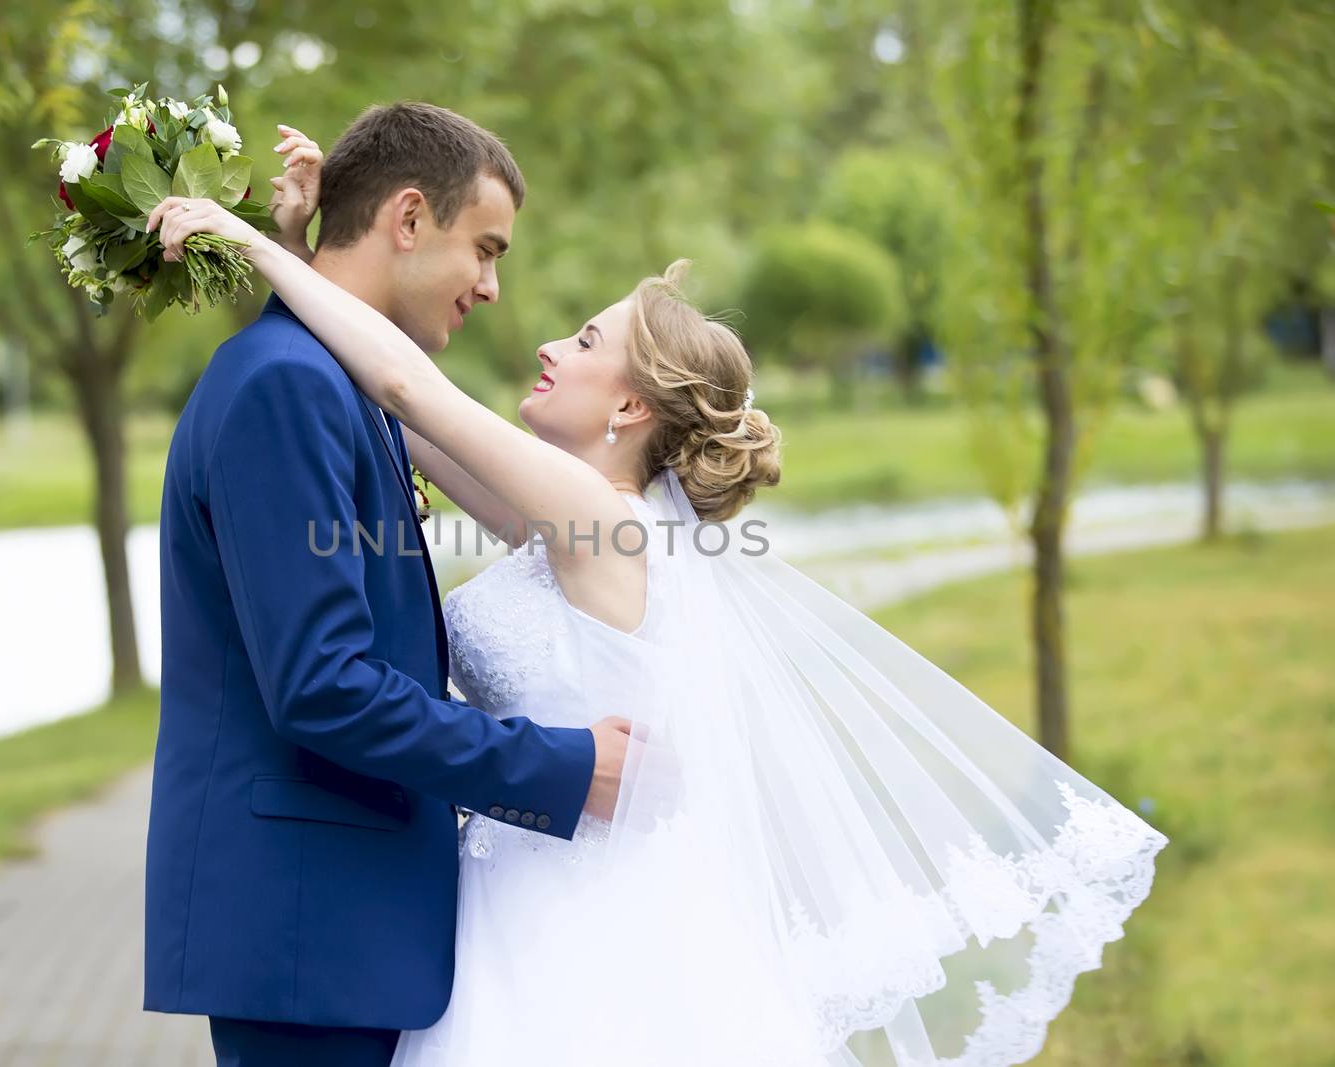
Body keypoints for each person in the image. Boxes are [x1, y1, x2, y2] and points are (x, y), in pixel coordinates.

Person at [149, 114, 1169, 1066]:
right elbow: (382, 398)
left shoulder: (602, 523)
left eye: (586, 342)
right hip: (514, 887)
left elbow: (411, 390)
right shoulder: (556, 518)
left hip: (574, 898)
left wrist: (255, 245)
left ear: (631, 402)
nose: (546, 340)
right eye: (493, 255)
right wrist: (311, 248)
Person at [141, 103, 633, 1067]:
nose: (492, 288)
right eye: (484, 248)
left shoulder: (325, 380)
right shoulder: (289, 387)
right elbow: (323, 684)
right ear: (408, 219)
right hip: (307, 932)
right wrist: (566, 769)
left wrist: (281, 249)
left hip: (342, 929)